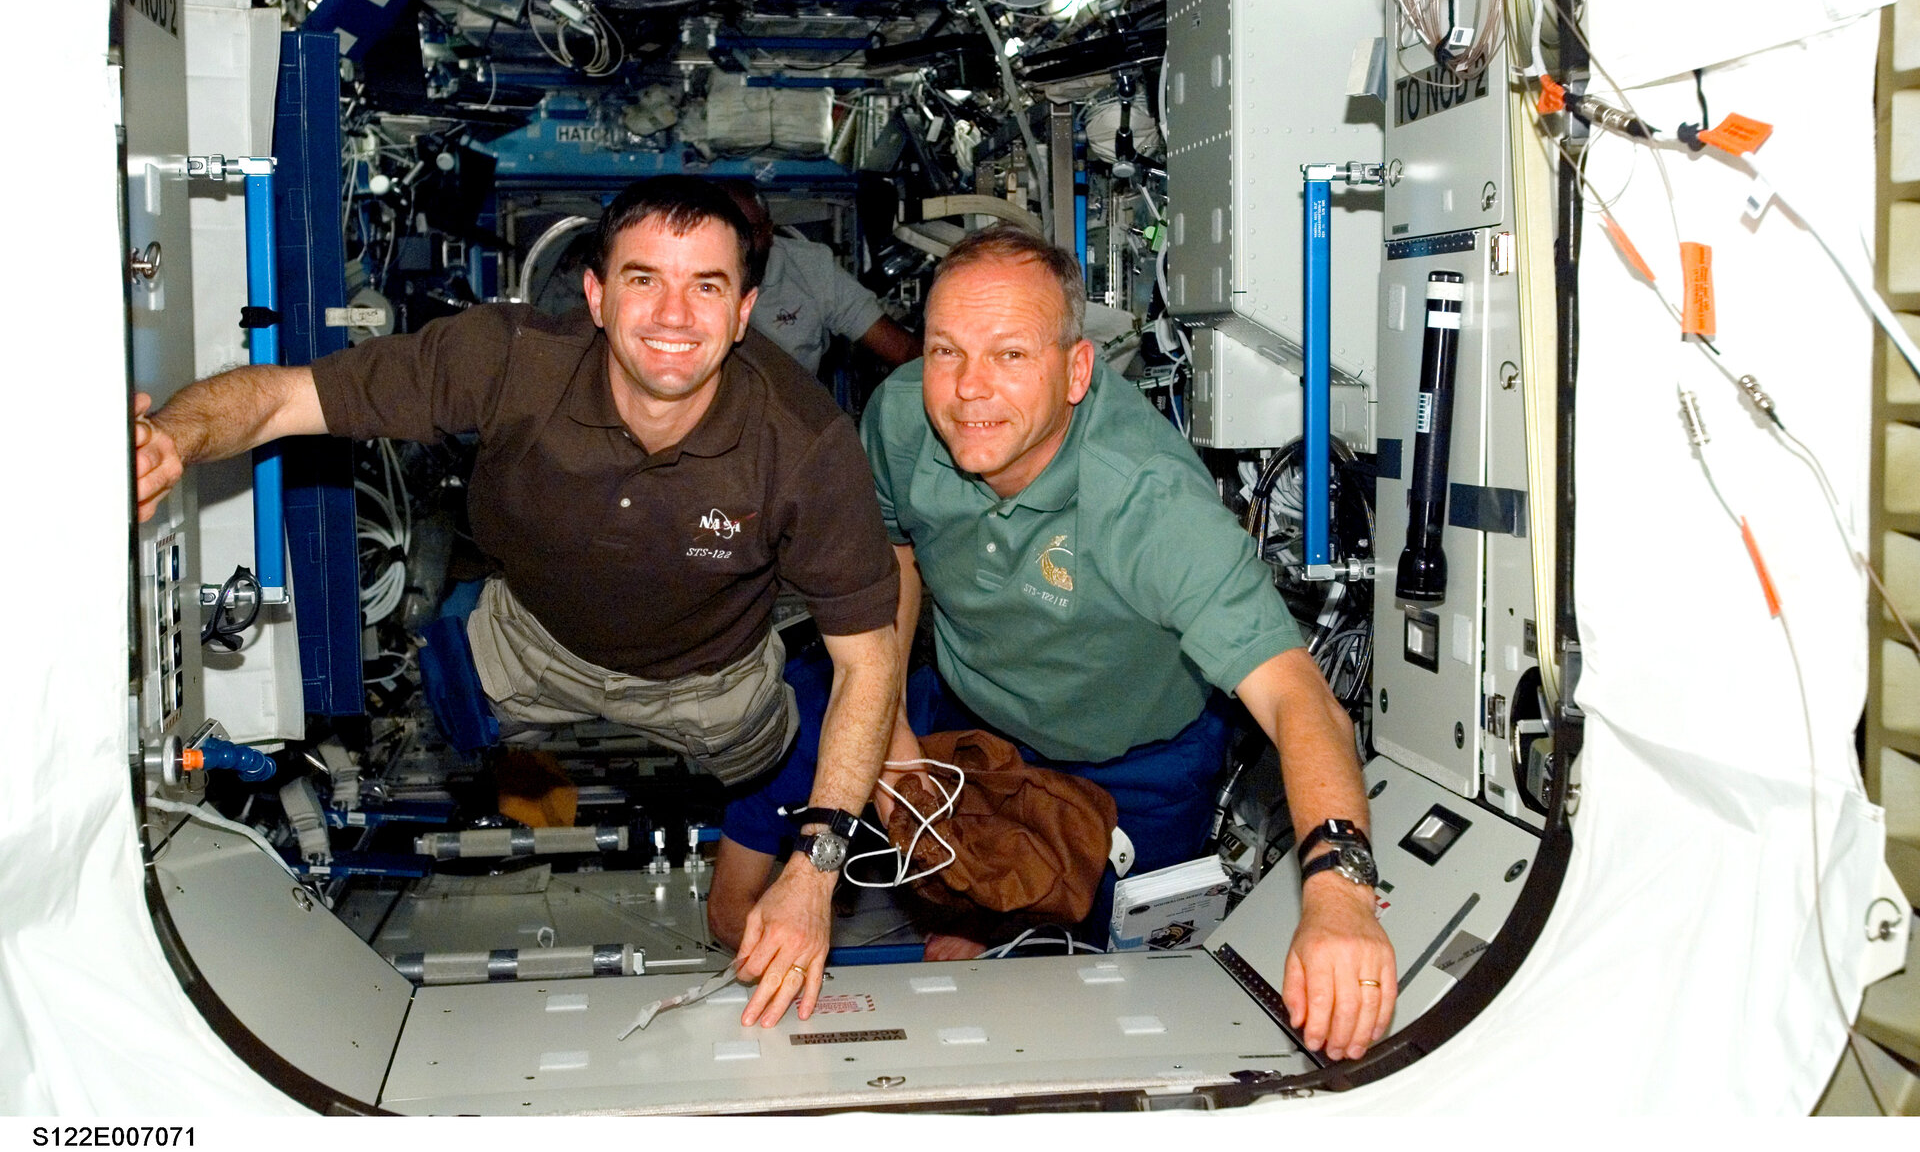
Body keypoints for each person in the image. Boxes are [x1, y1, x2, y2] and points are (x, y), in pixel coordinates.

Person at [131, 176, 900, 1031]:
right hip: (533, 639)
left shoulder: (804, 443)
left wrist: (815, 867)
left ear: (745, 308)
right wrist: (172, 437)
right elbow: (283, 396)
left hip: (712, 678)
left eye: (706, 286)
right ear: (598, 296)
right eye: (646, 279)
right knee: (459, 702)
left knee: (766, 759)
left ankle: (746, 773)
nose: (674, 314)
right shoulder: (506, 360)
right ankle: (513, 751)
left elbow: (869, 657)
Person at [719, 223, 1397, 1062]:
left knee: (1118, 988)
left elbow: (1301, 698)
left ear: (1077, 371)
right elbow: (891, 549)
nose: (969, 390)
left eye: (1010, 355)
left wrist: (1340, 894)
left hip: (1138, 761)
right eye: (946, 352)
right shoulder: (901, 420)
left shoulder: (1146, 502)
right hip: (981, 717)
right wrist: (889, 726)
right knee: (829, 735)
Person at [719, 182, 919, 375]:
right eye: (731, 232)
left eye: (752, 232)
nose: (742, 246)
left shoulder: (812, 267)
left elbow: (900, 348)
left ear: (769, 231)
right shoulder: (691, 273)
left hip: (791, 403)